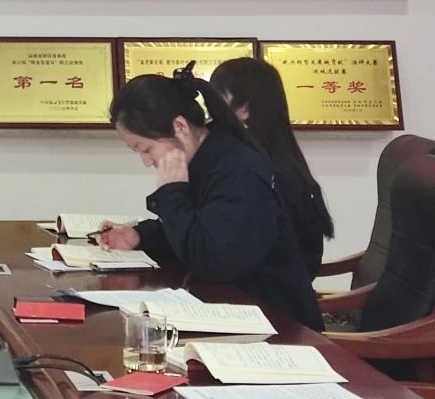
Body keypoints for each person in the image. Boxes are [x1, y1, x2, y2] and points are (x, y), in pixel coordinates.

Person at [99, 64, 323, 330]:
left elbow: (213, 261)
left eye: (146, 149)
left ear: (180, 126)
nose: (146, 162)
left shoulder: (236, 169)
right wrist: (139, 236)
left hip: (276, 322)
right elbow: (195, 230)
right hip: (234, 309)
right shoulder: (207, 156)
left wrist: (172, 195)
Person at [209, 57, 335, 274]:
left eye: (217, 98)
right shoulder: (271, 160)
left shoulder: (267, 171)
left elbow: (235, 249)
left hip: (272, 288)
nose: (210, 110)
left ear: (245, 108)